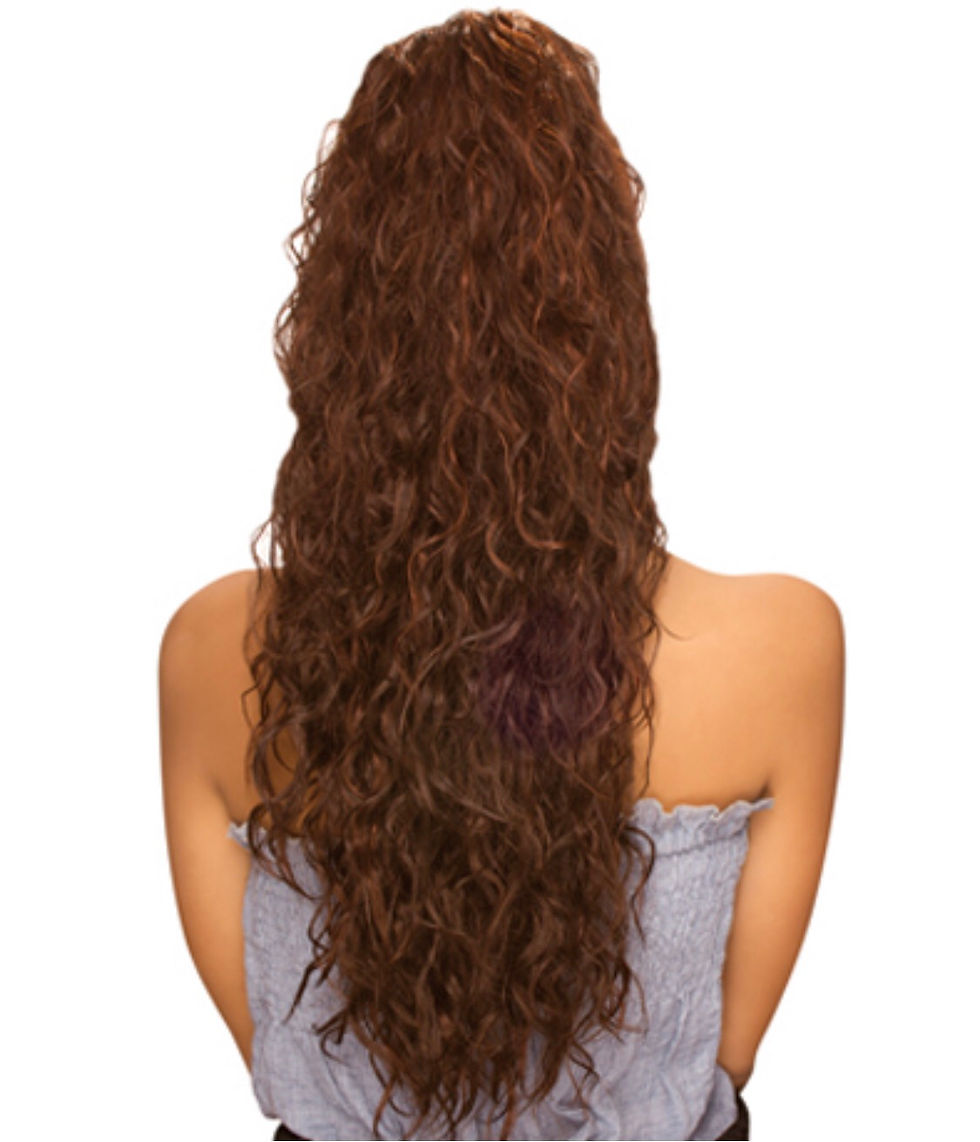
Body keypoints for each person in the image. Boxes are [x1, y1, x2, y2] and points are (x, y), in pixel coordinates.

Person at [158, 9, 845, 1140]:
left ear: (338, 319)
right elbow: (710, 1066)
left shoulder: (207, 652)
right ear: (603, 314)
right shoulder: (783, 644)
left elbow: (303, 1089)